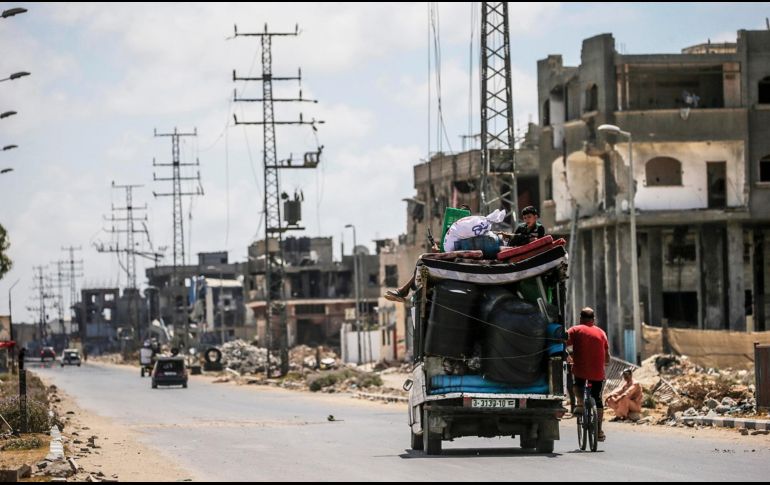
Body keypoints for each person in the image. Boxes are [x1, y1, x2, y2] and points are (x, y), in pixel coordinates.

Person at [566, 307, 610, 442]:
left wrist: (567, 356)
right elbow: (607, 356)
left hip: (581, 370)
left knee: (577, 383)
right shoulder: (602, 333)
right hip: (598, 373)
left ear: (580, 319)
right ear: (593, 319)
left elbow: (562, 343)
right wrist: (605, 363)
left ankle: (580, 403)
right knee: (597, 398)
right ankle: (599, 431)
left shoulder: (575, 330)